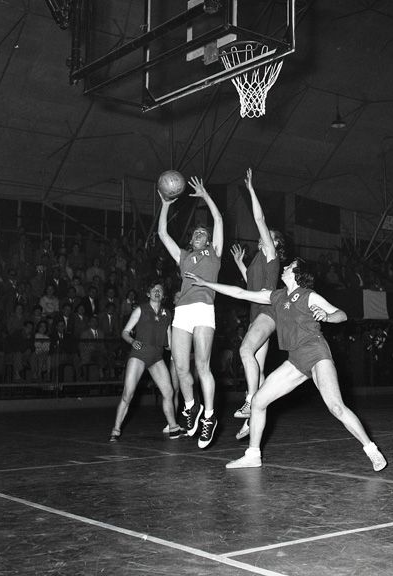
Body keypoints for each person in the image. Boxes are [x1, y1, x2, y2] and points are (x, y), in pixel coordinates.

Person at [186, 258, 387, 472]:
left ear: (298, 273)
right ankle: (252, 455)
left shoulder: (309, 296)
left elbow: (342, 315)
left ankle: (372, 450)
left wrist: (327, 316)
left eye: (290, 266)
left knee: (336, 406)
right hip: (295, 361)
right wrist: (206, 283)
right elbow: (241, 293)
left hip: (317, 355)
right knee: (258, 401)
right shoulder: (277, 296)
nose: (285, 267)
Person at [158, 176, 223, 448]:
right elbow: (163, 234)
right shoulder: (183, 256)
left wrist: (206, 196)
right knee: (181, 367)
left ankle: (209, 416)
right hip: (183, 311)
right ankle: (190, 407)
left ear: (208, 241)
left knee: (202, 366)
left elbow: (218, 219)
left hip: (204, 309)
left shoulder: (214, 253)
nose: (198, 234)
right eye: (195, 233)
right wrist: (165, 204)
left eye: (202, 233)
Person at [230, 168, 285, 440]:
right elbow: (251, 284)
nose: (264, 236)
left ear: (275, 243)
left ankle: (251, 401)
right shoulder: (256, 261)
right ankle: (254, 419)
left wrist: (251, 190)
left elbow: (259, 218)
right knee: (257, 369)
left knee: (244, 350)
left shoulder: (271, 255)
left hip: (267, 312)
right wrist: (240, 264)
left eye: (269, 235)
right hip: (256, 313)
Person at [109, 281, 187, 442]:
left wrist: (183, 348)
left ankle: (173, 428)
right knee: (128, 394)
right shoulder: (140, 310)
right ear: (148, 293)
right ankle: (115, 430)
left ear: (163, 295)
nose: (157, 292)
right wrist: (132, 341)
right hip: (138, 356)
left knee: (169, 392)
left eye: (160, 290)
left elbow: (169, 343)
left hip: (156, 358)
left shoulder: (167, 314)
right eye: (153, 289)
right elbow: (125, 332)